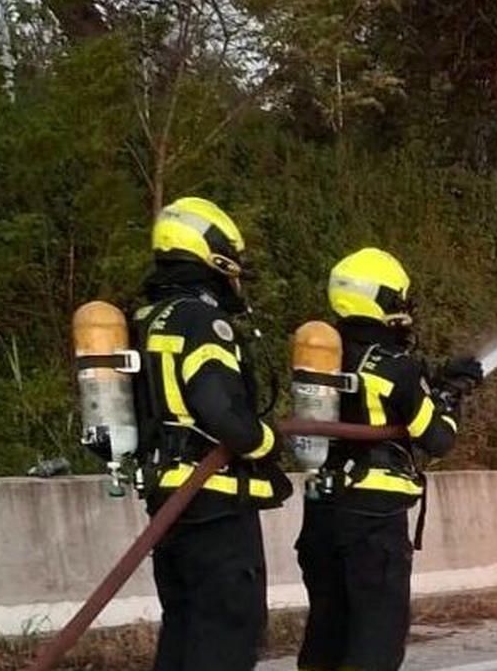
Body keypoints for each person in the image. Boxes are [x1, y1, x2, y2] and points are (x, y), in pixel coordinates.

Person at [297, 248, 483, 671]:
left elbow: (375, 404)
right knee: (375, 637)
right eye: (398, 300)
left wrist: (433, 384)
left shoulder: (323, 354)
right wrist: (453, 395)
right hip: (373, 520)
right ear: (381, 301)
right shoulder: (396, 366)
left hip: (321, 513)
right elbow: (436, 437)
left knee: (328, 630)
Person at [133, 196, 290, 671]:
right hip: (215, 503)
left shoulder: (143, 319)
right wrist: (266, 442)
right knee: (226, 633)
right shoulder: (203, 322)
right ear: (214, 258)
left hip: (169, 506)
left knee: (183, 629)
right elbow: (220, 411)